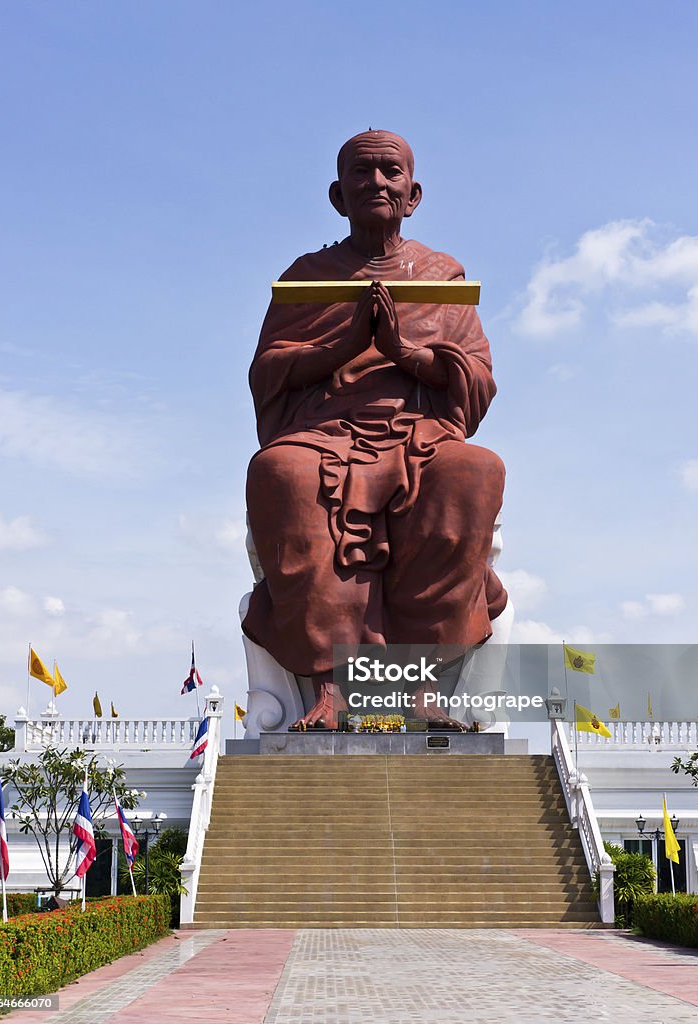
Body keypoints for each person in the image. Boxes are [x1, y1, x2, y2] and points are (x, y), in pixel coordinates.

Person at [243, 130, 507, 728]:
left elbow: (479, 375)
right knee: (280, 472)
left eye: (391, 172)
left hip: (419, 431)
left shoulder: (441, 275)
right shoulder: (307, 277)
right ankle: (330, 687)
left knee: (474, 469)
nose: (377, 183)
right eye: (362, 174)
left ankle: (419, 683)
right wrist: (345, 341)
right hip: (323, 431)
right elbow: (269, 373)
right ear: (338, 195)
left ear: (413, 194)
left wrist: (404, 352)